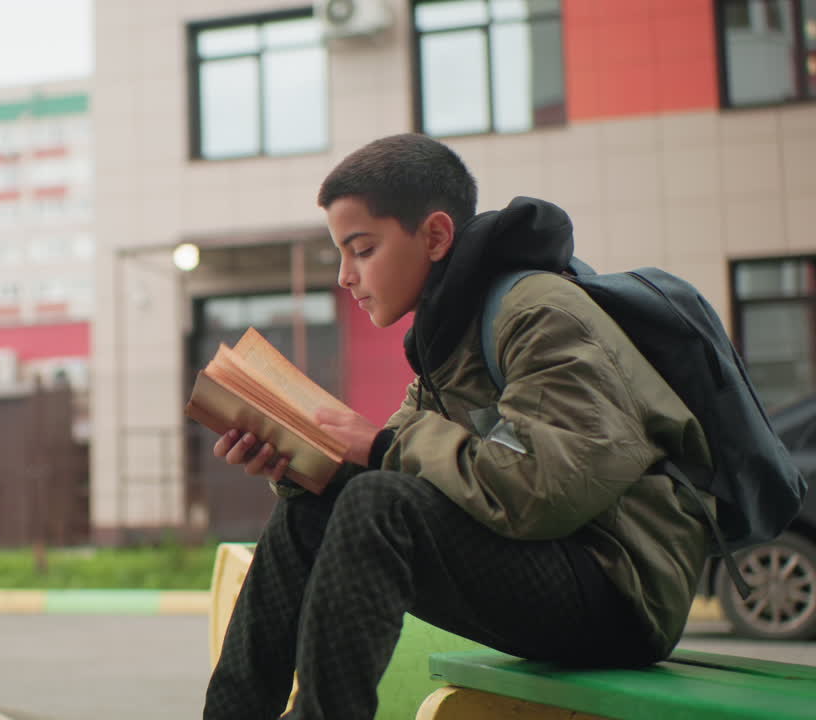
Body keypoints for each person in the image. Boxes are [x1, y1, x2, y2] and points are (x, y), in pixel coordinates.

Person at [202, 133, 713, 720]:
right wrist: (299, 465)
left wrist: (381, 446)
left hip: (620, 591)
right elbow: (396, 466)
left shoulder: (540, 314)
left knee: (378, 503)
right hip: (544, 564)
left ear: (436, 236)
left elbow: (547, 488)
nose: (345, 275)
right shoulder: (449, 341)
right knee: (310, 509)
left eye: (362, 250)